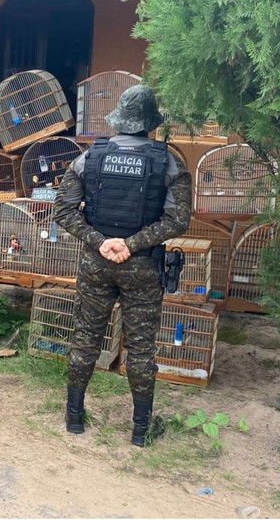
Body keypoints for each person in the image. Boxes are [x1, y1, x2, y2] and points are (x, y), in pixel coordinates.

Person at [52, 84, 192, 446]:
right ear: (151, 123)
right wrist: (131, 244)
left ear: (119, 119)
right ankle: (140, 431)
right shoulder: (168, 162)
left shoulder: (90, 157)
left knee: (85, 338)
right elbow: (178, 221)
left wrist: (101, 242)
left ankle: (74, 419)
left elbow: (63, 210)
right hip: (142, 266)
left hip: (96, 262)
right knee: (141, 349)